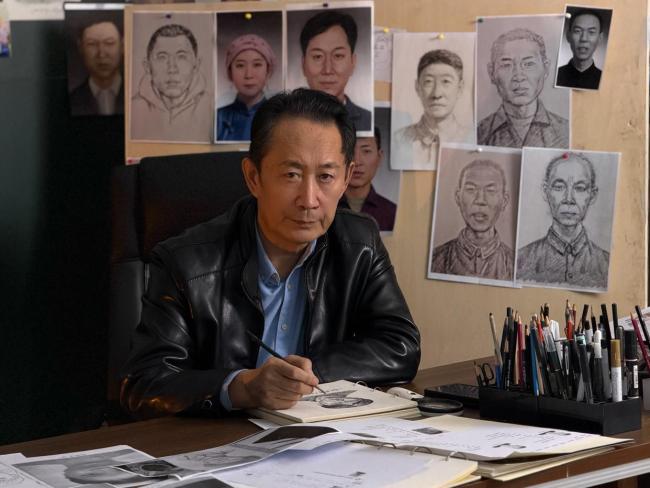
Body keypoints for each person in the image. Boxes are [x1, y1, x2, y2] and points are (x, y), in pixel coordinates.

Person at [120, 88, 420, 417]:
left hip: (320, 435)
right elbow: (145, 384)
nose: (309, 200)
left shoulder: (359, 243)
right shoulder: (185, 263)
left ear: (346, 178)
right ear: (254, 177)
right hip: (219, 438)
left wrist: (306, 374)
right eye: (291, 175)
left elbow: (400, 346)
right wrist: (242, 387)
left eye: (325, 177)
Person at [516, 152, 609, 288]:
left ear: (592, 195)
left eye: (580, 188)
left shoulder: (606, 264)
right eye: (559, 187)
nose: (569, 199)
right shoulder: (521, 260)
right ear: (546, 192)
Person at [478, 28, 569, 149]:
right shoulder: (479, 133)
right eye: (506, 65)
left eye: (529, 64)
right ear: (491, 73)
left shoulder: (566, 132)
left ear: (546, 68)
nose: (519, 77)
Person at [430, 159, 514, 280]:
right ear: (458, 197)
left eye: (490, 191)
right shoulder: (435, 259)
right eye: (471, 189)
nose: (480, 200)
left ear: (504, 201)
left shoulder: (515, 264)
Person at [131, 23, 210, 141]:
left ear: (196, 65)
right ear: (147, 66)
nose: (172, 68)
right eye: (162, 57)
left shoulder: (211, 108)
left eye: (181, 56)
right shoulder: (132, 109)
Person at [396, 49, 472, 166]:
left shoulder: (471, 139)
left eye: (446, 81)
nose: (436, 94)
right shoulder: (398, 140)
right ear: (417, 87)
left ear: (460, 88)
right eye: (428, 82)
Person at [300, 10, 371, 132]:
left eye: (338, 56)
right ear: (303, 64)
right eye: (317, 56)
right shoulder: (287, 123)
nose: (327, 70)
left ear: (353, 62)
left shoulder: (368, 121)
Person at [216, 34, 276, 142]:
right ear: (230, 72)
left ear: (268, 71)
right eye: (240, 65)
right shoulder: (218, 118)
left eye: (257, 65)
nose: (248, 75)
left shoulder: (279, 117)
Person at [338, 127, 397, 231]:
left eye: (366, 151)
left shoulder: (392, 213)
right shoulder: (324, 207)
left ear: (379, 157)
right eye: (349, 150)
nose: (357, 161)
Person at [69, 19, 124, 116]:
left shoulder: (139, 97)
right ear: (80, 48)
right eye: (92, 44)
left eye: (109, 43)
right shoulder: (71, 101)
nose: (101, 54)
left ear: (122, 46)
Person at [556, 9, 604, 90]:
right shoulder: (555, 76)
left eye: (591, 32)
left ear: (600, 38)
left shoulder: (604, 80)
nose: (583, 38)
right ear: (568, 36)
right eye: (577, 31)